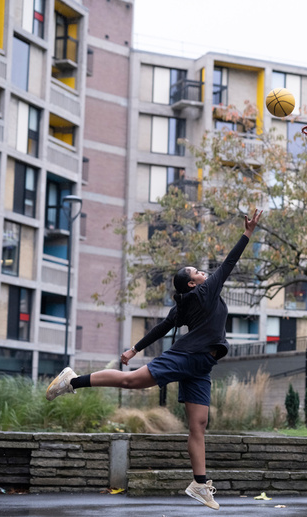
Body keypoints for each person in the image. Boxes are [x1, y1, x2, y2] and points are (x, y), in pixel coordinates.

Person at [46, 209, 263, 510]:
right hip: (187, 356)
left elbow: (164, 326)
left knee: (198, 425)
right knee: (132, 381)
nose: (203, 272)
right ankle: (73, 381)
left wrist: (134, 349)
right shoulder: (204, 293)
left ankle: (200, 484)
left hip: (201, 366)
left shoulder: (189, 302)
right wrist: (248, 233)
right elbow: (229, 262)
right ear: (192, 284)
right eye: (196, 272)